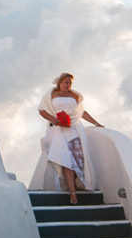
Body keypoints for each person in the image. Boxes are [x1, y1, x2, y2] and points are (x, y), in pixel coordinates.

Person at [38, 72, 104, 204]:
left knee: (78, 159)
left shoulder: (75, 96)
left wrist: (96, 123)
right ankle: (72, 192)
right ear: (60, 82)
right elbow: (42, 110)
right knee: (65, 159)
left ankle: (77, 185)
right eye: (66, 82)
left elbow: (82, 113)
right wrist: (54, 120)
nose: (68, 85)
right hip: (58, 130)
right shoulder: (51, 94)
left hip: (75, 129)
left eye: (70, 83)